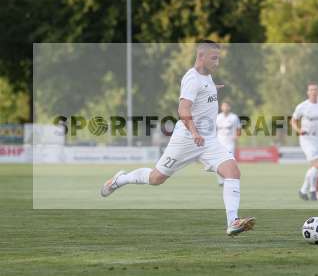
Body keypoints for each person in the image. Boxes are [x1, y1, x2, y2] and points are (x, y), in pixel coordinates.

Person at [100, 40, 255, 236]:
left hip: (208, 140)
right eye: (214, 58)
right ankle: (120, 180)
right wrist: (194, 132)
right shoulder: (192, 78)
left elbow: (201, 96)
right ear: (201, 56)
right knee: (156, 178)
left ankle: (233, 221)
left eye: (218, 58)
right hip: (187, 139)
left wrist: (211, 89)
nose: (217, 62)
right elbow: (183, 110)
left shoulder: (207, 78)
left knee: (232, 172)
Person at [291, 83, 318, 201]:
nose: (313, 92)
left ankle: (304, 190)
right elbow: (293, 121)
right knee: (317, 164)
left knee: (317, 167)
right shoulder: (302, 106)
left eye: (315, 90)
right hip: (307, 139)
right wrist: (298, 130)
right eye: (311, 90)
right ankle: (312, 190)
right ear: (308, 92)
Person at [215, 101, 241, 186]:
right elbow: (213, 129)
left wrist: (236, 136)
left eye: (227, 106)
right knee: (219, 162)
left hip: (230, 143)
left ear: (229, 107)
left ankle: (229, 179)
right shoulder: (218, 117)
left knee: (229, 162)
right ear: (221, 107)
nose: (225, 108)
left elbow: (238, 128)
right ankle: (221, 181)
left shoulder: (234, 117)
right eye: (223, 106)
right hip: (219, 143)